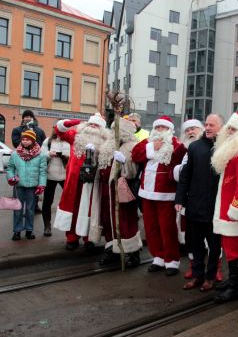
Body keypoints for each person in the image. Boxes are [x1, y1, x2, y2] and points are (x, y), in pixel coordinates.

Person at [131, 115, 187, 276]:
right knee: (151, 227)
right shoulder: (147, 142)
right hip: (146, 192)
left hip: (166, 194)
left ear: (170, 130)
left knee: (167, 228)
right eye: (158, 128)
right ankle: (158, 257)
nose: (160, 130)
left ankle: (171, 260)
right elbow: (135, 154)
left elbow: (183, 161)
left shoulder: (176, 145)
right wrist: (152, 147)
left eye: (164, 128)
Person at [175, 114, 224, 292]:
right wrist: (180, 199)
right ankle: (197, 275)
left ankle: (210, 277)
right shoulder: (195, 147)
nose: (208, 127)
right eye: (207, 124)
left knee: (214, 246)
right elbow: (185, 175)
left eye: (212, 125)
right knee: (195, 244)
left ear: (221, 127)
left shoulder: (225, 148)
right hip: (195, 205)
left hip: (215, 207)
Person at [211, 111, 238, 303]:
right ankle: (232, 281)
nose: (229, 131)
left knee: (234, 249)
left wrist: (235, 209)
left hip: (234, 211)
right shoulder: (230, 150)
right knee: (228, 247)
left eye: (234, 128)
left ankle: (235, 288)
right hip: (225, 208)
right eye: (228, 127)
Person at [53, 113, 110, 250]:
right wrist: (68, 123)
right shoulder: (76, 135)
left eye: (96, 124)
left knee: (90, 210)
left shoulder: (105, 142)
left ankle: (88, 238)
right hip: (74, 181)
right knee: (73, 208)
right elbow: (59, 131)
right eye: (91, 123)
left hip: (93, 182)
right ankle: (72, 238)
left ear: (102, 128)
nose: (93, 126)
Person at [96, 118, 142, 268]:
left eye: (118, 129)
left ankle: (132, 252)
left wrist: (124, 163)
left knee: (125, 221)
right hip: (105, 190)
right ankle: (112, 250)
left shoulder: (132, 146)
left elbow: (133, 173)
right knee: (107, 221)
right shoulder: (107, 145)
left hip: (121, 191)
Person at [173, 119, 204, 279]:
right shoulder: (183, 150)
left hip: (205, 199)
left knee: (210, 238)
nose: (191, 132)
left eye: (194, 129)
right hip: (187, 199)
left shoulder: (208, 146)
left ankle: (215, 268)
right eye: (188, 130)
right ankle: (194, 266)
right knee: (190, 236)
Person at [6, 130, 47, 240]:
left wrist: (42, 185)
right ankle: (17, 231)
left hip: (33, 186)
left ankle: (29, 230)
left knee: (30, 210)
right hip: (18, 185)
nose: (24, 141)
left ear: (33, 141)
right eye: (23, 139)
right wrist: (10, 178)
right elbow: (10, 168)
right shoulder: (15, 154)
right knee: (17, 209)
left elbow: (43, 171)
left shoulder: (41, 155)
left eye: (27, 139)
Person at [41, 127, 70, 237]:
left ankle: (70, 225)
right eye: (58, 131)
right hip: (50, 175)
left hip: (65, 175)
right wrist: (49, 154)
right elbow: (41, 154)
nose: (60, 134)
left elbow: (74, 155)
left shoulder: (69, 141)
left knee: (70, 200)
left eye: (62, 132)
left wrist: (66, 156)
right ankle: (47, 226)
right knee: (47, 202)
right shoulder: (48, 141)